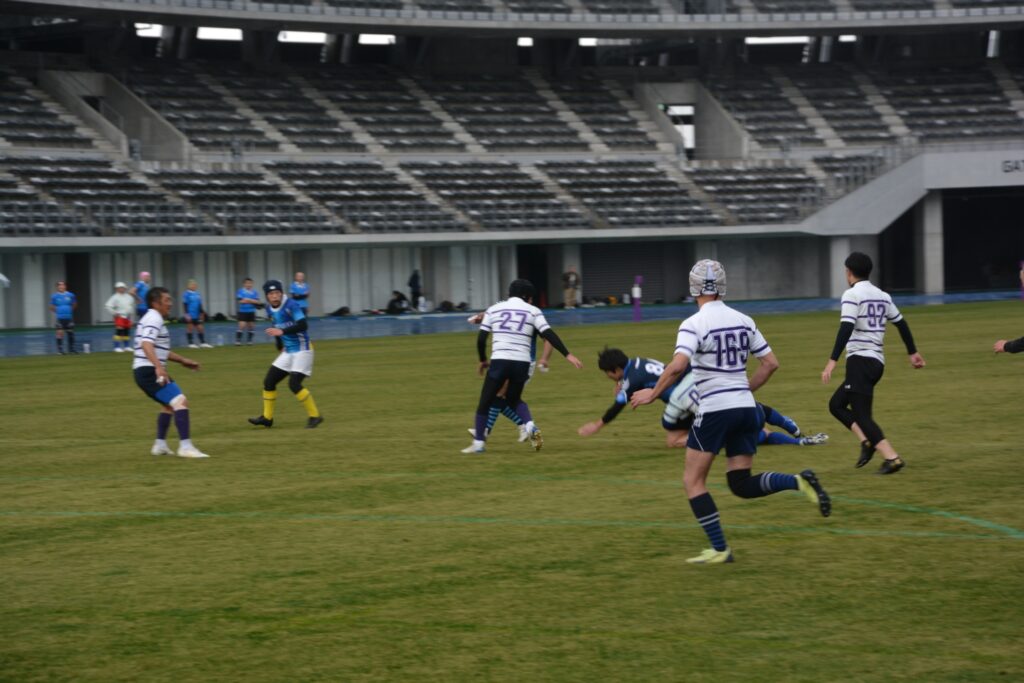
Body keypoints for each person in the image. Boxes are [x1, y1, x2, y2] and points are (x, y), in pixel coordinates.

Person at [631, 259, 830, 565]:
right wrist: (743, 391)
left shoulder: (693, 324)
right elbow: (771, 364)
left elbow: (678, 365)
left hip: (714, 410)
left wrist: (652, 393)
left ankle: (720, 549)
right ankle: (798, 481)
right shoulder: (744, 320)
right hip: (746, 409)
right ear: (723, 287)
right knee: (740, 483)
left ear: (693, 287)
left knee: (693, 481)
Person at [580, 348, 828, 448]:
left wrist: (598, 424)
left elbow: (619, 405)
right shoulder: (639, 362)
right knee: (741, 407)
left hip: (683, 399)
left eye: (608, 375)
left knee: (675, 438)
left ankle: (732, 438)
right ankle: (790, 429)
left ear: (615, 370)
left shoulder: (631, 377)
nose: (609, 378)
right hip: (697, 382)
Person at [822, 252, 926, 475]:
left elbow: (846, 327)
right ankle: (866, 441)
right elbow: (901, 323)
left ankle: (892, 458)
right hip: (876, 362)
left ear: (849, 272)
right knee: (836, 405)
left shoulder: (851, 294)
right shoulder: (882, 295)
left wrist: (832, 361)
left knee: (862, 416)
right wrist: (913, 352)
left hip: (860, 361)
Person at [462, 279, 583, 454]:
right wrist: (568, 354)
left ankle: (479, 443)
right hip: (522, 362)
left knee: (486, 401)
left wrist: (482, 360)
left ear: (509, 293)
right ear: (526, 296)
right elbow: (549, 334)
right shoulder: (533, 311)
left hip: (500, 359)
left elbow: (481, 339)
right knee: (513, 399)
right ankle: (528, 425)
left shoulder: (494, 309)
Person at [133, 286, 209, 458]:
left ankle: (160, 445)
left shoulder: (151, 318)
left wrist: (183, 360)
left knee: (168, 405)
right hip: (148, 371)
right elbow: (146, 344)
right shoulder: (154, 318)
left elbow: (159, 350)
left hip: (145, 370)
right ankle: (186, 447)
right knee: (180, 401)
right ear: (155, 303)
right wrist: (158, 367)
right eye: (166, 300)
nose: (170, 303)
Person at [465, 311, 553, 448]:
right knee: (503, 397)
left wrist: (544, 359)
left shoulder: (531, 314)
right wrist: (481, 317)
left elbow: (548, 338)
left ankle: (486, 430)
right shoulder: (520, 310)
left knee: (499, 394)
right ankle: (524, 426)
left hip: (521, 361)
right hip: (508, 359)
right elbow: (492, 312)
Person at [248, 279, 323, 429]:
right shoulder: (269, 308)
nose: (275, 296)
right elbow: (275, 327)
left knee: (294, 384)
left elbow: (303, 325)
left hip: (303, 349)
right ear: (267, 296)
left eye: (277, 293)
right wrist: (279, 345)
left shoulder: (291, 305)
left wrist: (282, 331)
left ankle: (315, 416)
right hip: (288, 351)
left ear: (281, 293)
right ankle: (267, 418)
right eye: (271, 294)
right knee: (269, 382)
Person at [105, 282, 135, 353]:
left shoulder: (128, 297)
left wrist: (131, 317)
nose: (122, 289)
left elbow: (131, 305)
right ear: (117, 289)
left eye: (123, 288)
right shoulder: (114, 297)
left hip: (127, 316)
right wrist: (114, 313)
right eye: (120, 288)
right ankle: (117, 347)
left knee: (126, 331)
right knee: (119, 331)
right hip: (119, 316)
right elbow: (108, 306)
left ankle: (127, 347)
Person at [182, 279, 212, 349]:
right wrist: (187, 314)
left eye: (195, 285)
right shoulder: (186, 294)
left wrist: (202, 312)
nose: (195, 286)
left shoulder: (197, 294)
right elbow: (185, 304)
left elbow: (200, 304)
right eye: (193, 285)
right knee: (190, 328)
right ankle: (190, 343)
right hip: (190, 314)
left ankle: (203, 343)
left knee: (200, 328)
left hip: (197, 314)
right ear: (189, 286)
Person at [50, 280, 77, 354]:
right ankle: (60, 350)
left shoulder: (71, 295)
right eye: (59, 285)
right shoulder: (54, 296)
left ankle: (71, 349)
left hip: (69, 318)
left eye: (62, 285)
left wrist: (69, 310)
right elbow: (51, 307)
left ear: (65, 286)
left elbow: (74, 304)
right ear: (57, 287)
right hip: (60, 318)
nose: (61, 286)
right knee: (59, 333)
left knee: (70, 333)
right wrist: (58, 311)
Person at [235, 277, 261, 345]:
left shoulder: (255, 292)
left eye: (250, 283)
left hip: (251, 311)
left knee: (251, 327)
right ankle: (238, 341)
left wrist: (248, 300)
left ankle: (250, 341)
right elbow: (241, 301)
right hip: (243, 311)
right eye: (247, 283)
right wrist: (252, 301)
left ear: (252, 284)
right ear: (244, 284)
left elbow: (258, 302)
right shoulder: (240, 291)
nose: (249, 284)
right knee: (241, 326)